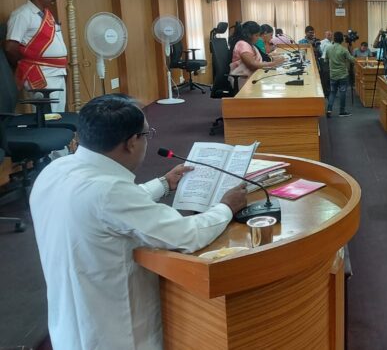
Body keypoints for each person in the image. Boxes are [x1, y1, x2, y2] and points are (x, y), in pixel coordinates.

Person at [30, 94, 247, 349]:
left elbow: (110, 209)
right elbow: (186, 235)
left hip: (68, 322)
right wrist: (226, 207)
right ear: (132, 142)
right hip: (114, 331)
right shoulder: (110, 192)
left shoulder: (56, 170)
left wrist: (163, 184)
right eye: (146, 134)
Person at [4, 0, 68, 112]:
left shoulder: (46, 14)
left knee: (58, 116)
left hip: (57, 72)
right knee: (46, 115)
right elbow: (10, 47)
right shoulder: (22, 14)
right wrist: (24, 63)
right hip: (40, 73)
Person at [325, 31, 355, 117]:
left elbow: (326, 60)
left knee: (332, 92)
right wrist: (351, 50)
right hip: (342, 75)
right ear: (342, 40)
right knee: (342, 93)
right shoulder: (344, 50)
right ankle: (342, 111)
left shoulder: (328, 48)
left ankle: (329, 110)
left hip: (333, 74)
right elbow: (352, 60)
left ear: (334, 39)